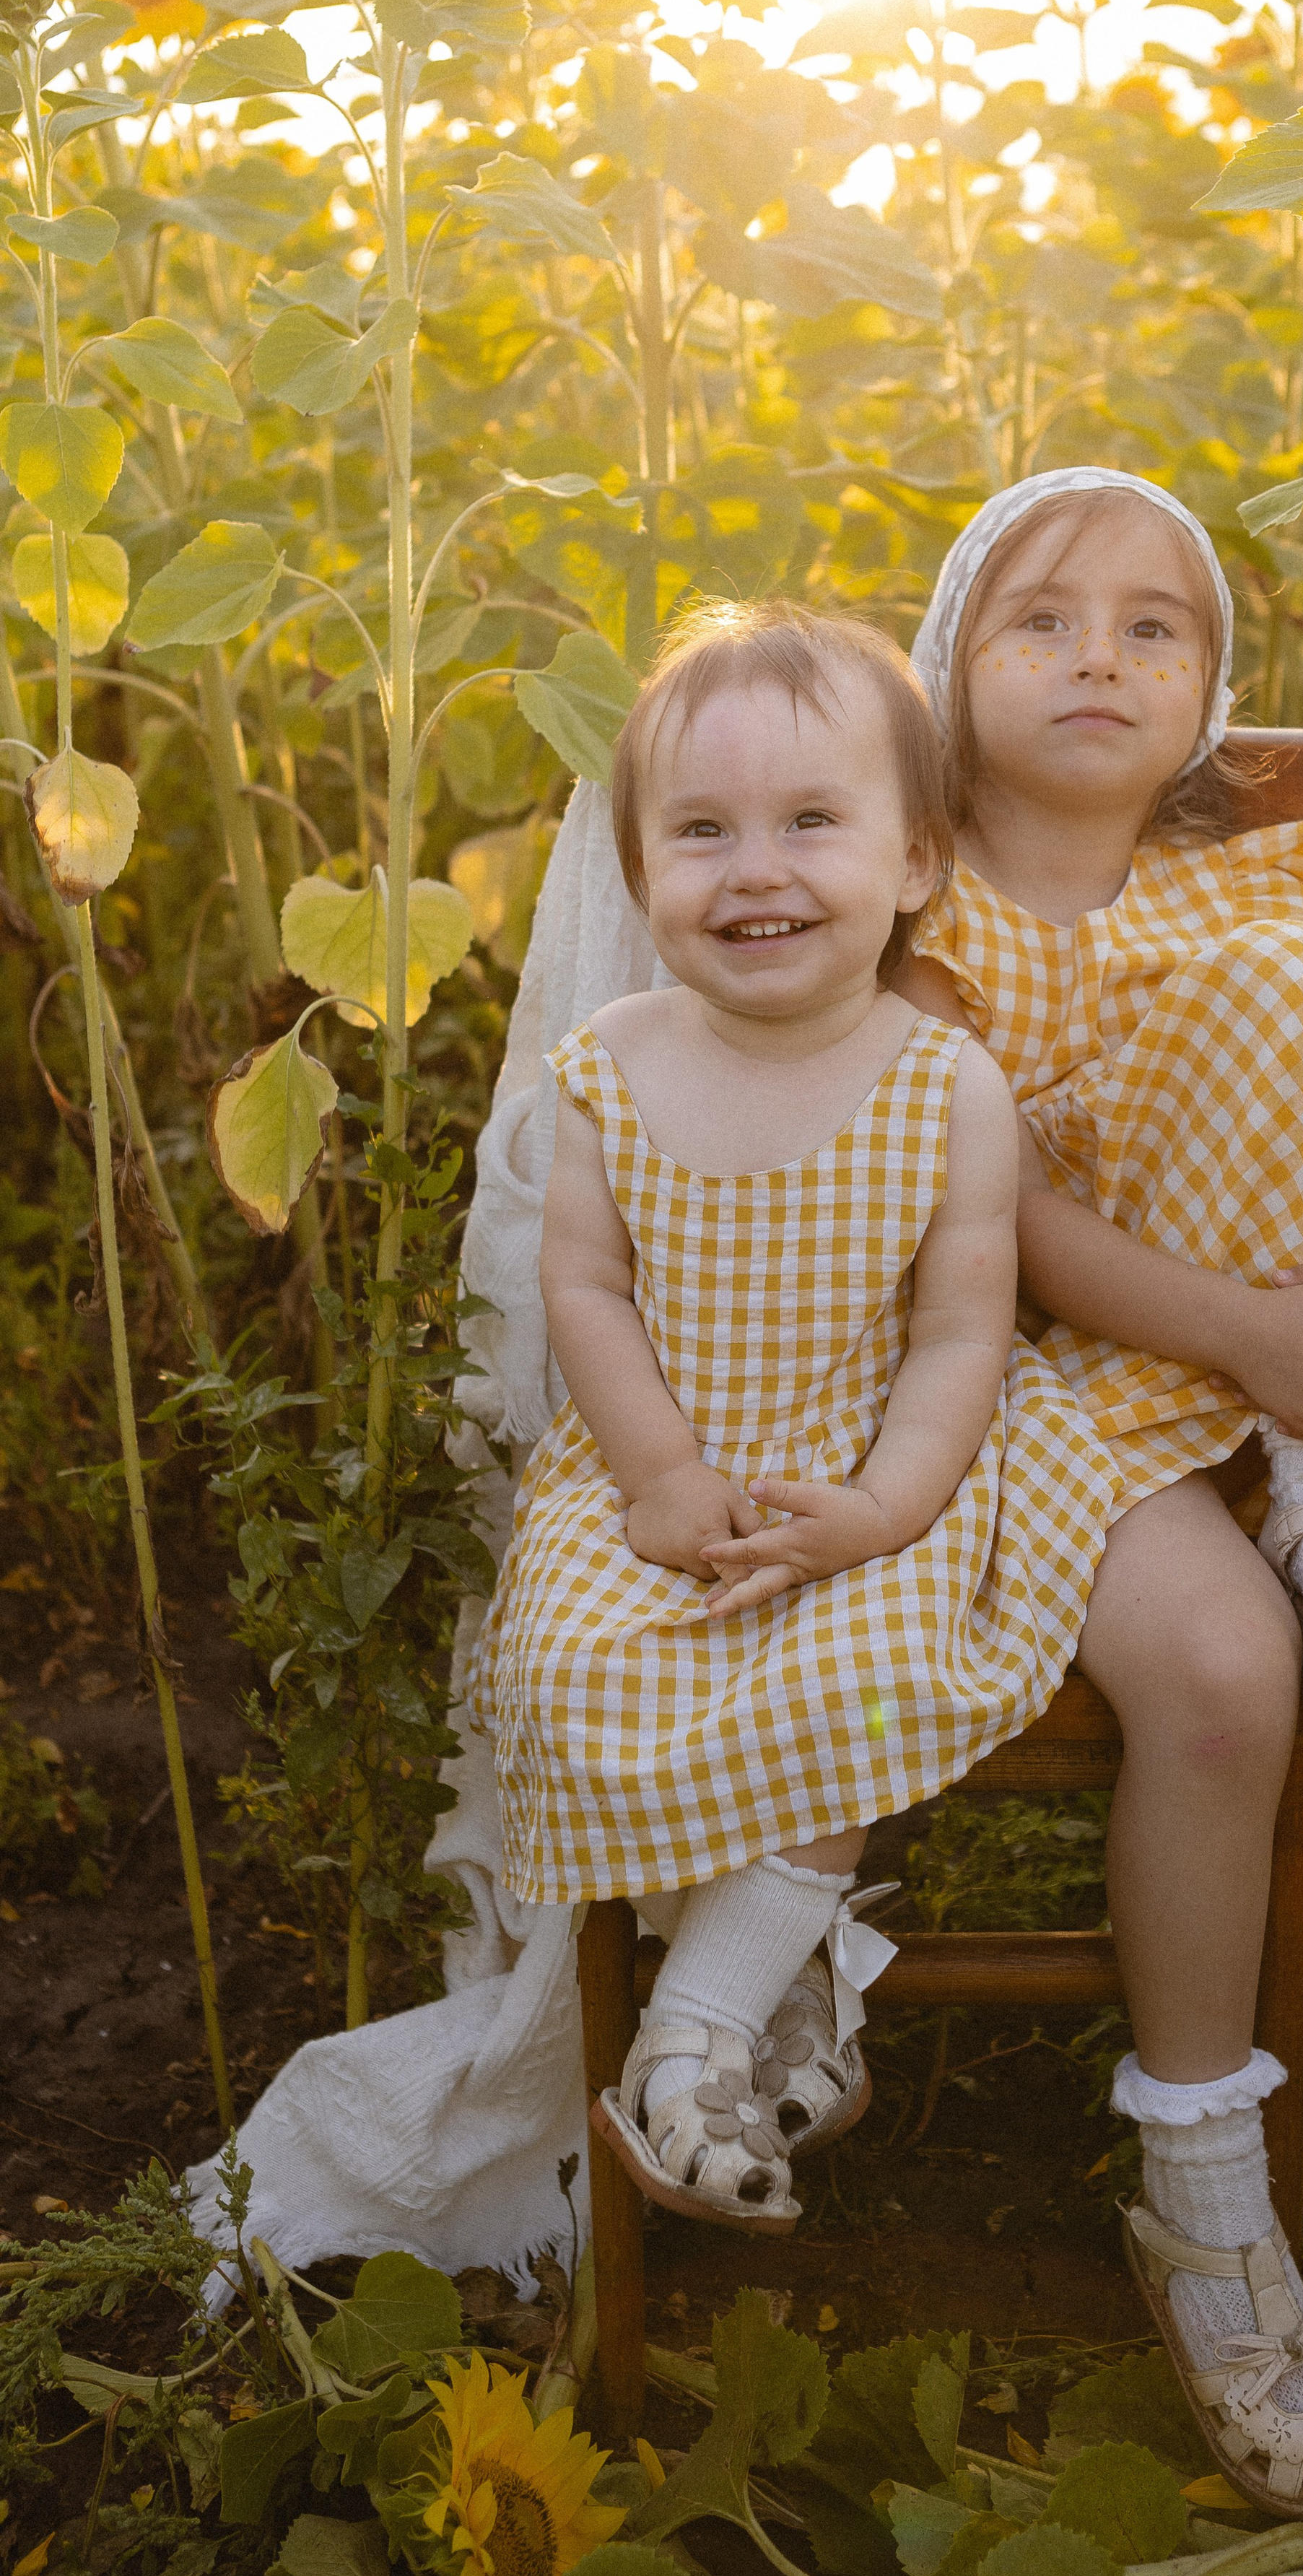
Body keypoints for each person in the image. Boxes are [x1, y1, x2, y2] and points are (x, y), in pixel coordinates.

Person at [890, 466, 1303, 2519]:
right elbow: (1005, 1232)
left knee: (1288, 991)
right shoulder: (911, 910)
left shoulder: (1248, 904)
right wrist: (1268, 1338)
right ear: (949, 673)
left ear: (1214, 697)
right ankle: (1205, 2200)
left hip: (1229, 1398)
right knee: (1228, 1668)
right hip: (993, 1400)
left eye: (1159, 628)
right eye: (1042, 619)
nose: (1101, 658)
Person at [469, 599, 1118, 2237]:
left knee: (860, 1662)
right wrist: (664, 1479)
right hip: (658, 1456)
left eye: (809, 823)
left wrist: (887, 1509)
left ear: (914, 862)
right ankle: (790, 1973)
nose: (753, 871)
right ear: (639, 876)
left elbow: (963, 1327)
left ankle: (688, 2045)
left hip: (867, 1452)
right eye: (700, 833)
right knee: (570, 1662)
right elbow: (589, 1299)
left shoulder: (940, 1082)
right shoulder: (610, 1067)